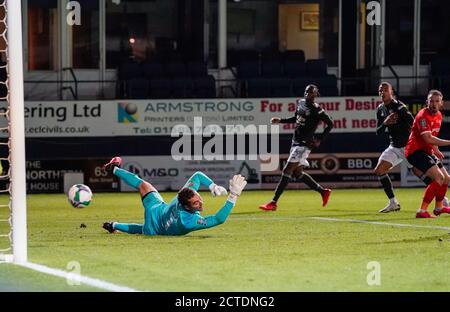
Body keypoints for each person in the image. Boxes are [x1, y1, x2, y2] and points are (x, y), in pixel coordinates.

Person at [101, 157, 247, 235]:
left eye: (199, 198)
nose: (201, 203)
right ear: (186, 206)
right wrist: (233, 195)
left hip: (157, 208)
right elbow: (218, 219)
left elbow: (197, 175)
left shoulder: (183, 195)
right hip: (155, 227)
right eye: (196, 203)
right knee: (143, 229)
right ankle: (114, 225)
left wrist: (212, 186)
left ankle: (114, 169)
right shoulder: (188, 221)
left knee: (142, 185)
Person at [259, 84, 333, 211]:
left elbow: (330, 124)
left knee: (287, 171)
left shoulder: (317, 110)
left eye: (310, 92)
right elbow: (296, 118)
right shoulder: (301, 103)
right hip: (295, 142)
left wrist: (320, 139)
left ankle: (273, 202)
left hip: (304, 145)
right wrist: (280, 120)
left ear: (315, 95)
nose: (307, 94)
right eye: (306, 91)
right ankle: (323, 191)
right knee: (297, 173)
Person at [405, 90, 450, 218]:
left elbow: (433, 136)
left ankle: (439, 207)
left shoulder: (439, 115)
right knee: (438, 178)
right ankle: (422, 211)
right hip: (415, 151)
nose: (434, 104)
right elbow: (428, 139)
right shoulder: (422, 116)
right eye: (431, 101)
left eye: (437, 101)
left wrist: (435, 149)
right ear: (427, 102)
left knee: (446, 178)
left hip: (427, 151)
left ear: (441, 103)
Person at [374, 82, 416, 213]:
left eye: (386, 90)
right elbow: (378, 132)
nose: (383, 92)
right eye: (381, 90)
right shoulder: (380, 109)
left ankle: (443, 200)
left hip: (407, 146)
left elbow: (413, 123)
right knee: (379, 170)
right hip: (394, 147)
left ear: (391, 92)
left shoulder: (399, 106)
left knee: (421, 174)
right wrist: (385, 123)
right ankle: (393, 203)